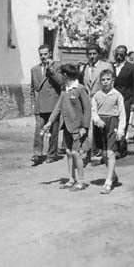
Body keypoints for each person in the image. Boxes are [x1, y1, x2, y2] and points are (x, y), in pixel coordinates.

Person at [43, 63, 91, 191]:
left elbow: (87, 109)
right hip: (67, 127)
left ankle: (81, 181)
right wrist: (49, 122)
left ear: (65, 75)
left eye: (60, 74)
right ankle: (71, 179)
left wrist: (84, 127)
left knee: (76, 153)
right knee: (69, 153)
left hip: (77, 128)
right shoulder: (64, 89)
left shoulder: (80, 89)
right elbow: (58, 107)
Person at [91, 69, 126, 194]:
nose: (105, 82)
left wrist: (120, 130)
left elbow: (122, 114)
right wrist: (97, 120)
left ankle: (108, 182)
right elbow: (93, 110)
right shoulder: (97, 95)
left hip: (113, 123)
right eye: (103, 80)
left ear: (112, 80)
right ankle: (113, 175)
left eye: (108, 79)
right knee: (104, 154)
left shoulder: (117, 95)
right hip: (100, 124)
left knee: (111, 153)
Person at [30, 44, 64, 165]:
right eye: (41, 55)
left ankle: (52, 153)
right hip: (40, 105)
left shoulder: (58, 66)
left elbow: (61, 82)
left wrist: (51, 70)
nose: (43, 57)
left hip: (53, 104)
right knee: (38, 129)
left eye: (45, 54)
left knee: (53, 131)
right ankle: (37, 154)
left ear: (50, 53)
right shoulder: (34, 69)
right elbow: (33, 89)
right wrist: (33, 105)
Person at [112, 45, 134, 158]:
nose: (119, 56)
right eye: (117, 54)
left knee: (123, 123)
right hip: (112, 99)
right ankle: (114, 146)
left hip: (126, 99)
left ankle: (121, 148)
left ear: (125, 55)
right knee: (113, 123)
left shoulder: (132, 67)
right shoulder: (111, 66)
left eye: (121, 54)